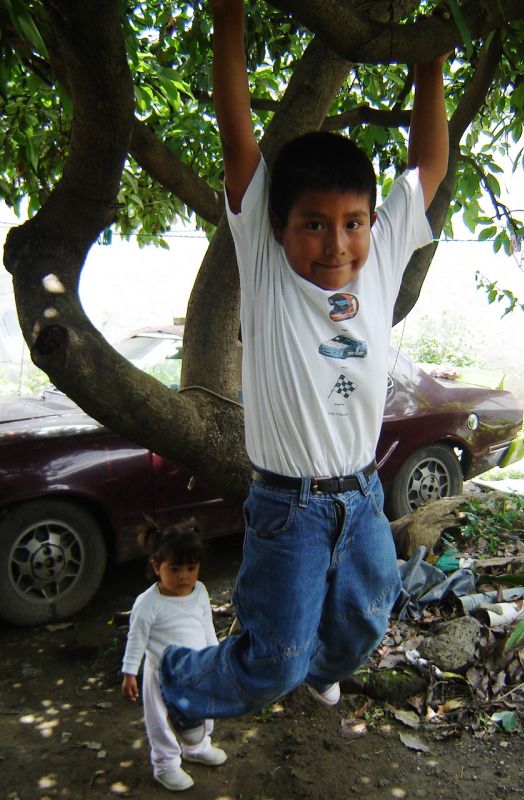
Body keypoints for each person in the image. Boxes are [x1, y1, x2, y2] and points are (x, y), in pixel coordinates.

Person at [159, 0, 449, 741]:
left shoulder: (381, 257)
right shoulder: (264, 261)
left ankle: (319, 668)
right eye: (313, 224)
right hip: (287, 511)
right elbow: (238, 143)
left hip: (360, 497)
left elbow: (428, 166)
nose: (335, 243)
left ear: (372, 225)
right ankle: (179, 685)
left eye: (351, 222)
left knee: (365, 621)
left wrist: (429, 66)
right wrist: (229, 24)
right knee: (274, 662)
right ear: (277, 226)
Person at [121, 523, 227, 791]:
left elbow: (207, 626)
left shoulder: (200, 591)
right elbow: (136, 639)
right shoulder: (148, 604)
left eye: (191, 569)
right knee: (162, 721)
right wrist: (129, 672)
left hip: (198, 668)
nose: (184, 576)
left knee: (202, 711)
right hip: (162, 677)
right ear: (157, 567)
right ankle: (165, 764)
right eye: (175, 569)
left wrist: (216, 657)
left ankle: (197, 747)